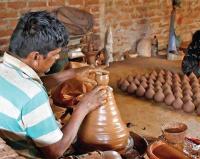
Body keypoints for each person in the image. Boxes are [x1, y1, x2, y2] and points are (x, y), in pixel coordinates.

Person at [0, 11, 121, 159]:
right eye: (54, 54)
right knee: (113, 156)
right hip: (25, 154)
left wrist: (71, 74)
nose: (57, 58)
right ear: (36, 57)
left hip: (10, 140)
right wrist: (83, 107)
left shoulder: (5, 69)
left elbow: (24, 88)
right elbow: (55, 152)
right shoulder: (33, 95)